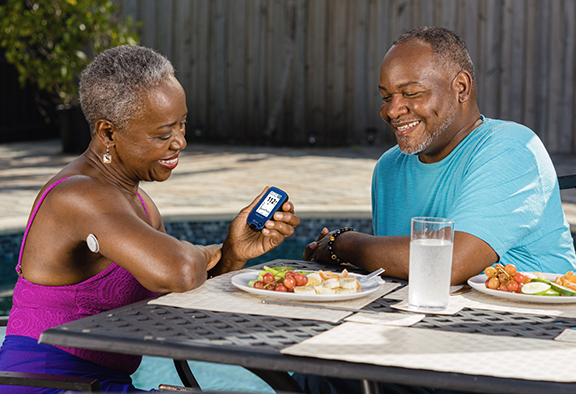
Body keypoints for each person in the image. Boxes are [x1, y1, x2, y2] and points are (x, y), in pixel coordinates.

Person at [0, 45, 300, 393]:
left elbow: (178, 296)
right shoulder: (78, 196)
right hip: (47, 384)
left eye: (182, 125)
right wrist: (205, 252)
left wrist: (232, 252)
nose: (180, 142)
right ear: (108, 132)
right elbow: (182, 270)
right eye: (163, 134)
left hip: (100, 384)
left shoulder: (140, 204)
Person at [295, 25, 576, 394]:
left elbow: (448, 264)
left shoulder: (511, 148)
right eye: (386, 96)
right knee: (316, 366)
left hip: (525, 349)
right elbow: (397, 273)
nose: (393, 110)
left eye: (411, 93)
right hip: (432, 342)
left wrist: (344, 245)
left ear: (461, 88)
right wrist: (340, 262)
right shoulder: (390, 168)